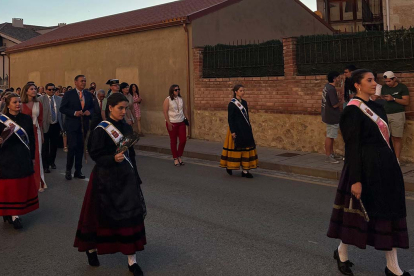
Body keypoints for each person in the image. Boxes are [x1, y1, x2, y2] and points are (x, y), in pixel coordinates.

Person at [327, 69, 410, 276]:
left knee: (388, 214)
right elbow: (352, 147)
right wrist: (355, 179)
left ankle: (393, 267)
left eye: (375, 80)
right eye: (369, 80)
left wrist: (393, 164)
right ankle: (342, 253)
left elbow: (387, 139)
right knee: (356, 216)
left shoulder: (378, 106)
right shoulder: (352, 111)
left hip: (385, 167)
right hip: (364, 168)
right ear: (357, 85)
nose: (375, 83)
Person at [74, 93, 146, 276]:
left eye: (126, 108)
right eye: (120, 108)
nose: (124, 111)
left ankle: (132, 261)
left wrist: (135, 176)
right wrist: (112, 158)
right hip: (105, 180)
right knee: (98, 218)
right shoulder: (101, 129)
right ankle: (91, 250)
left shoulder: (126, 128)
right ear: (111, 108)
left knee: (129, 218)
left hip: (126, 179)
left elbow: (131, 155)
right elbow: (96, 155)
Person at [0, 93, 38, 229]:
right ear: (8, 104)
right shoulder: (1, 120)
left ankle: (15, 213)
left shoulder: (26, 119)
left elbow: (31, 139)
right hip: (7, 156)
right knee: (10, 186)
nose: (18, 104)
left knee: (20, 185)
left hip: (22, 155)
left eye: (19, 102)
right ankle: (12, 214)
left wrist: (32, 156)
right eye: (15, 102)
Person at [60, 75, 94, 180]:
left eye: (85, 81)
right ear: (75, 82)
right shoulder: (69, 94)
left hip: (83, 125)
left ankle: (78, 170)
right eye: (81, 81)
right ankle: (68, 170)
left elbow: (93, 107)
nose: (83, 83)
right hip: (72, 125)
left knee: (80, 148)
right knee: (72, 147)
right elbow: (62, 108)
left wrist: (89, 112)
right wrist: (74, 113)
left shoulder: (88, 94)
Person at [219, 85, 258, 178]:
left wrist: (249, 127)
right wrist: (233, 131)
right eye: (241, 90)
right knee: (235, 149)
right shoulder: (232, 104)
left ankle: (245, 171)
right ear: (236, 91)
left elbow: (247, 116)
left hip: (245, 128)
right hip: (236, 128)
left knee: (246, 148)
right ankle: (230, 166)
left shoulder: (244, 102)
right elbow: (230, 119)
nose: (242, 92)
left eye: (243, 90)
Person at [21, 83, 47, 192]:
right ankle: (25, 182)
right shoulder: (21, 104)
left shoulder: (38, 104)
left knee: (38, 155)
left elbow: (40, 121)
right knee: (25, 156)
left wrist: (42, 135)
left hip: (36, 131)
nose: (34, 90)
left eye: (35, 89)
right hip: (24, 133)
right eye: (31, 89)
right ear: (26, 91)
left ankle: (39, 182)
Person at [381, 71, 409, 163]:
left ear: (394, 79)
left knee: (396, 137)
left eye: (389, 81)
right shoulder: (384, 88)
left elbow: (406, 102)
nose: (387, 83)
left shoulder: (402, 87)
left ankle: (396, 159)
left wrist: (393, 99)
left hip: (397, 114)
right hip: (385, 114)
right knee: (385, 137)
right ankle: (387, 157)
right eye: (386, 81)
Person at [163, 84, 189, 166]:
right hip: (172, 122)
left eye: (178, 89)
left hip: (181, 122)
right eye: (176, 90)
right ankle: (175, 158)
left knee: (183, 140)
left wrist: (187, 119)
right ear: (172, 91)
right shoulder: (168, 100)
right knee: (173, 141)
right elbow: (165, 111)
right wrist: (168, 122)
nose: (178, 91)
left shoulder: (181, 99)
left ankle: (179, 155)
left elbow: (184, 109)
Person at [40, 83, 63, 173]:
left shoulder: (59, 99)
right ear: (46, 90)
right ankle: (45, 165)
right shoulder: (41, 99)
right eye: (49, 89)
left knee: (54, 145)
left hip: (56, 125)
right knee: (45, 146)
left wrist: (62, 126)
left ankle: (52, 162)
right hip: (45, 125)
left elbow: (61, 113)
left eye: (53, 89)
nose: (51, 91)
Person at [322, 71, 342, 164]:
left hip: (328, 114)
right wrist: (341, 102)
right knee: (330, 136)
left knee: (331, 135)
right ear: (334, 78)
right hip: (332, 115)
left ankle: (331, 153)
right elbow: (334, 105)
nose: (339, 79)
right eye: (338, 77)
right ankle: (328, 155)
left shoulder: (327, 87)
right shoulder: (331, 89)